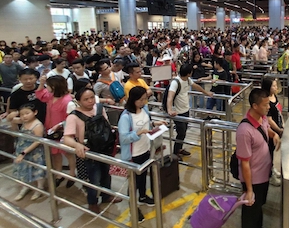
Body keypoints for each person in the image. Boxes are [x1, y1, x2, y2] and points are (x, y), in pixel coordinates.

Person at [63, 88, 122, 214]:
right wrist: (77, 145)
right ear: (78, 101)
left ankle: (106, 196)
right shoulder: (73, 116)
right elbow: (67, 138)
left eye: (91, 98)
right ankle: (92, 202)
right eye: (86, 99)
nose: (90, 101)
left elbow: (107, 126)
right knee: (93, 178)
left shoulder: (100, 108)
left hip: (105, 149)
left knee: (106, 174)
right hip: (89, 152)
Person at [118, 86, 167, 222]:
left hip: (145, 149)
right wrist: (138, 133)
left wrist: (156, 123)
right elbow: (124, 138)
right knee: (132, 182)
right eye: (141, 100)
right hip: (133, 154)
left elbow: (147, 123)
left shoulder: (144, 109)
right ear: (133, 100)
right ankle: (133, 207)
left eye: (145, 99)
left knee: (143, 176)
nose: (144, 102)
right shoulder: (126, 117)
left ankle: (142, 196)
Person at [236, 88, 281, 228]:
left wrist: (274, 135)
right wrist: (249, 190)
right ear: (255, 106)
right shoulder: (244, 131)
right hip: (253, 180)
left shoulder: (261, 118)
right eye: (265, 105)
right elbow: (244, 163)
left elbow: (265, 128)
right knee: (250, 214)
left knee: (258, 208)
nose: (269, 107)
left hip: (263, 176)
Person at [166, 63, 213, 159]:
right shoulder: (176, 82)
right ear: (188, 73)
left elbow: (196, 86)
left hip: (185, 110)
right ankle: (175, 152)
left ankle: (179, 149)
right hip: (177, 113)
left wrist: (206, 93)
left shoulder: (187, 80)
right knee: (181, 132)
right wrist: (170, 110)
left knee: (183, 131)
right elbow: (170, 97)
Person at [35, 75, 75, 188]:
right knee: (55, 153)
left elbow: (71, 117)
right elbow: (40, 95)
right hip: (50, 129)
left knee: (67, 153)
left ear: (54, 86)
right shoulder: (51, 96)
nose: (46, 87)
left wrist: (61, 126)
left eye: (48, 85)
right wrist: (42, 84)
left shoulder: (67, 100)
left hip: (63, 131)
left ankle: (72, 174)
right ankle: (58, 174)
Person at [8, 103, 46, 201]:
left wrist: (24, 152)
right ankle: (26, 186)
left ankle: (39, 188)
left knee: (37, 170)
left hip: (34, 151)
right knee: (23, 169)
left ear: (35, 112)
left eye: (27, 113)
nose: (24, 116)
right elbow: (12, 123)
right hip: (21, 147)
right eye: (22, 114)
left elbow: (37, 141)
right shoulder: (23, 121)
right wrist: (11, 117)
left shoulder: (37, 125)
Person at [260, 77, 282, 187]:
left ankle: (272, 168)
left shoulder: (274, 96)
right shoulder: (265, 99)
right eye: (273, 86)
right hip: (270, 130)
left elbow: (278, 111)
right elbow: (269, 119)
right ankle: (269, 175)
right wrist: (278, 130)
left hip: (277, 127)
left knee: (272, 151)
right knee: (268, 152)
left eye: (276, 85)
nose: (276, 87)